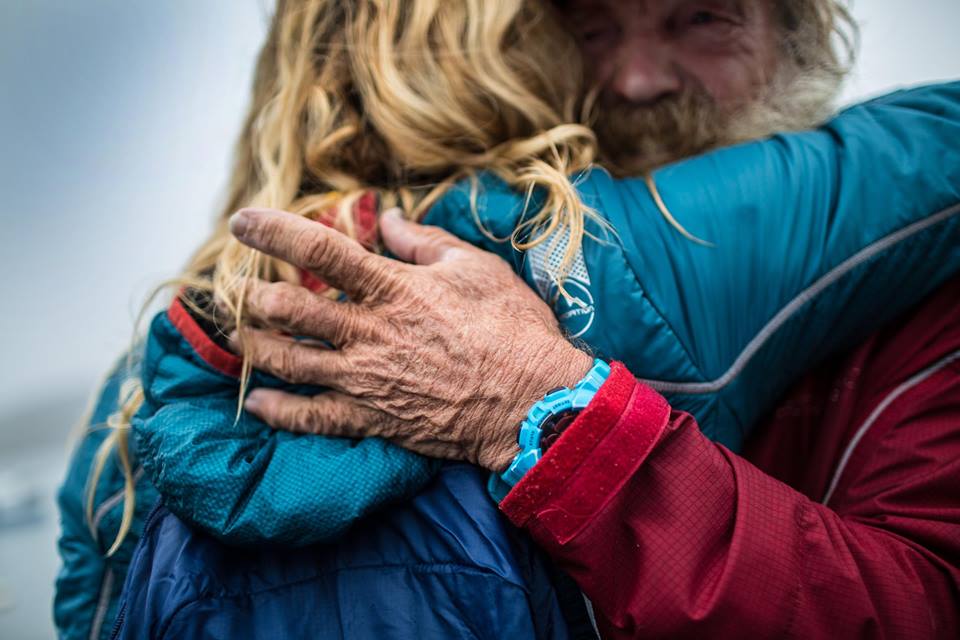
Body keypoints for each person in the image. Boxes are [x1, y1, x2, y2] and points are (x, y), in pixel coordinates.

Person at [55, 1, 960, 638]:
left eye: (701, 18)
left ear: (802, 35)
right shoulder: (534, 259)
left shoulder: (921, 297)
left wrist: (546, 411)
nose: (638, 80)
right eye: (590, 26)